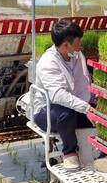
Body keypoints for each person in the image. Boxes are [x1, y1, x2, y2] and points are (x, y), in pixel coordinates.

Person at [32, 19, 95, 171]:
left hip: (72, 105)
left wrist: (92, 105)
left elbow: (83, 84)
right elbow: (58, 95)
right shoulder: (48, 62)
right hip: (46, 111)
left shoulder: (78, 56)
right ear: (66, 45)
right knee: (66, 115)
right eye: (78, 42)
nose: (81, 45)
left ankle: (93, 151)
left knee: (87, 117)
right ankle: (69, 152)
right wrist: (85, 108)